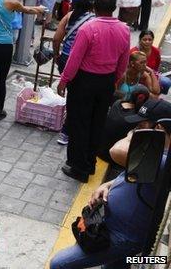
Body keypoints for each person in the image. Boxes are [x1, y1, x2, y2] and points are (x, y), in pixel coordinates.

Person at [50, 98, 171, 268]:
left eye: (140, 127)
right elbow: (133, 174)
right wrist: (107, 185)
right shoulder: (154, 155)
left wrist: (132, 136)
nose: (135, 130)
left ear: (158, 129)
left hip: (123, 238)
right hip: (112, 225)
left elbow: (116, 151)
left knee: (59, 264)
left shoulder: (163, 160)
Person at [57, 0, 131, 183]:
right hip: (106, 81)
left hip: (84, 81)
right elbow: (123, 61)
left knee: (79, 122)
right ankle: (90, 162)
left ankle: (78, 167)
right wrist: (113, 80)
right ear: (114, 8)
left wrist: (64, 80)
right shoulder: (124, 30)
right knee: (97, 123)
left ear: (94, 8)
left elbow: (74, 59)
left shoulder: (88, 29)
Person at [131, 30, 171, 94]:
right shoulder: (133, 52)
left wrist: (152, 76)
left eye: (150, 40)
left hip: (151, 75)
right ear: (140, 40)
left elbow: (156, 68)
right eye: (144, 39)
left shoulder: (156, 51)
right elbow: (128, 69)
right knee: (151, 93)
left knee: (166, 82)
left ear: (153, 40)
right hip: (136, 77)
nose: (147, 42)